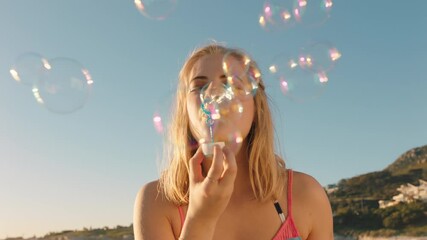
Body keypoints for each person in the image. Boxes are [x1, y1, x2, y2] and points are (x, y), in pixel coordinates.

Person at [133, 43, 333, 240]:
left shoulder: (306, 195)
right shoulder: (155, 202)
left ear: (257, 109)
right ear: (185, 112)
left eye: (230, 84)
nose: (213, 94)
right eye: (199, 86)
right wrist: (200, 219)